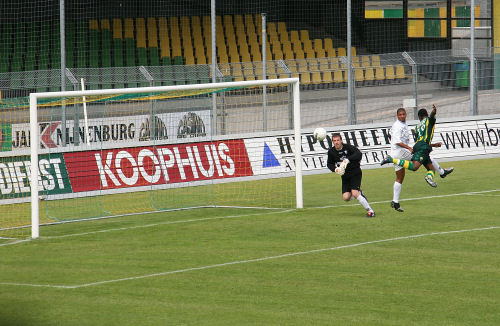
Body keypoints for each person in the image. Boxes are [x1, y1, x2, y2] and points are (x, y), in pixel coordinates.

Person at [382, 105, 454, 190]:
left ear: (419, 117)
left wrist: (434, 145)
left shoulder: (417, 128)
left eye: (403, 114)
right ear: (426, 115)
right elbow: (431, 116)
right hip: (419, 148)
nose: (402, 116)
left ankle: (440, 173)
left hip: (419, 146)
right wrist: (434, 111)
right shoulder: (427, 121)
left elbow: (420, 141)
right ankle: (391, 160)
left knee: (431, 167)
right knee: (415, 167)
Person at [327, 133, 376, 218]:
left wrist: (348, 159)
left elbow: (359, 154)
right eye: (334, 141)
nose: (336, 142)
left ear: (341, 140)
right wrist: (335, 169)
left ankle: (370, 211)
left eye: (338, 140)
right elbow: (329, 164)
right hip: (345, 176)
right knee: (346, 198)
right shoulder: (331, 152)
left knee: (354, 192)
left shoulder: (348, 147)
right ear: (332, 142)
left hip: (355, 172)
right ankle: (359, 193)